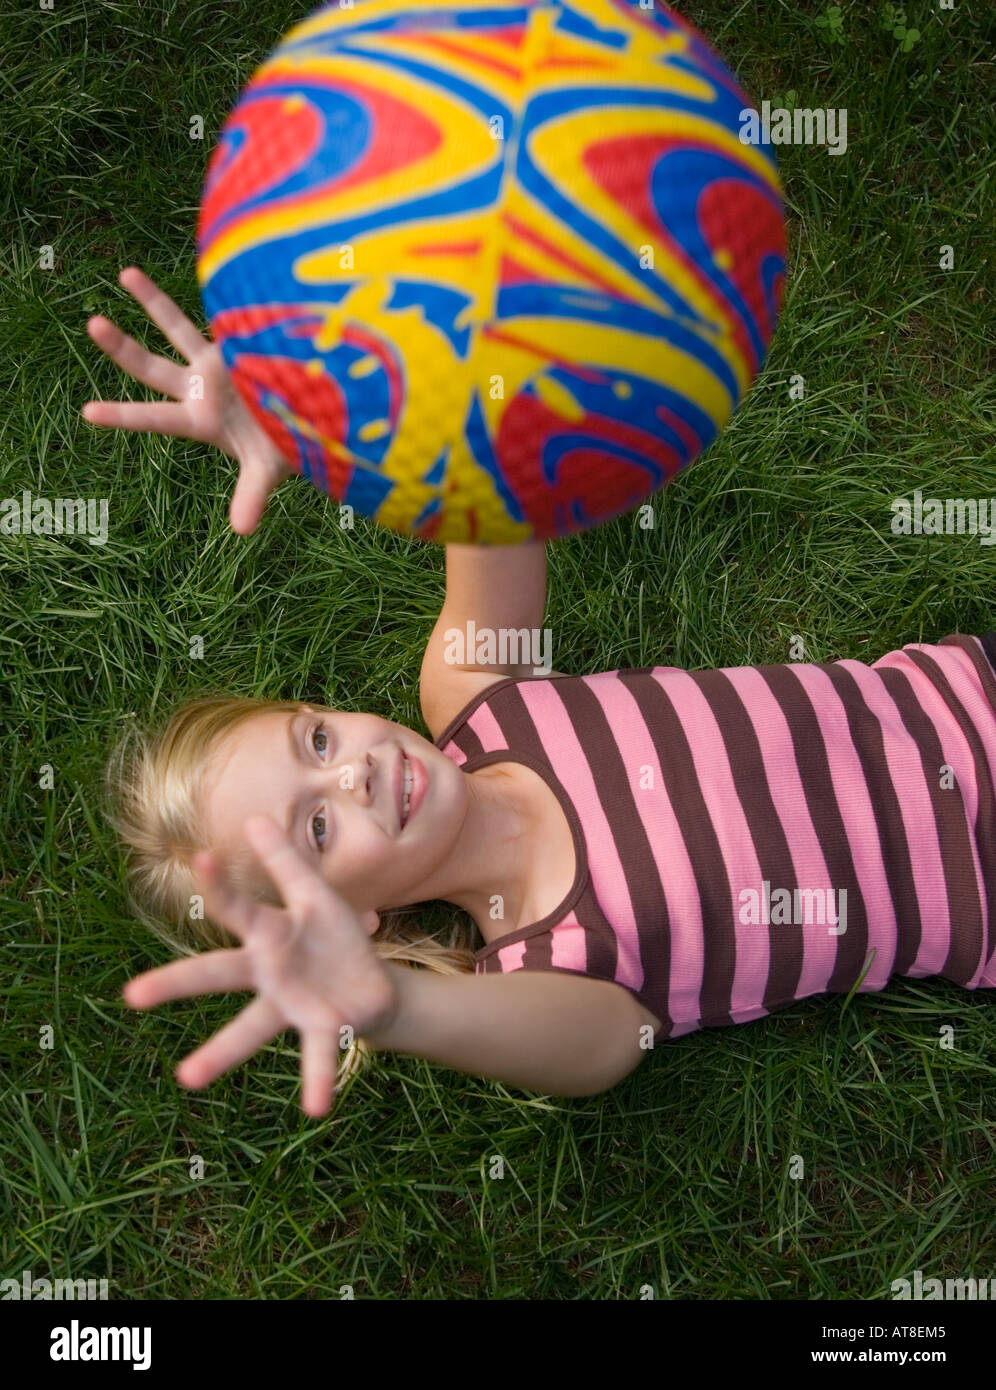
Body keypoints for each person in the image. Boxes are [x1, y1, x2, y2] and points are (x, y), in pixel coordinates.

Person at [86, 268, 996, 1119]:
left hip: (964, 684)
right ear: (351, 920)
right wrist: (393, 1005)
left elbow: (485, 477)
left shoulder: (479, 693)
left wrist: (314, 425)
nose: (354, 776)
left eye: (317, 743)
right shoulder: (540, 962)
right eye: (316, 830)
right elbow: (603, 1049)